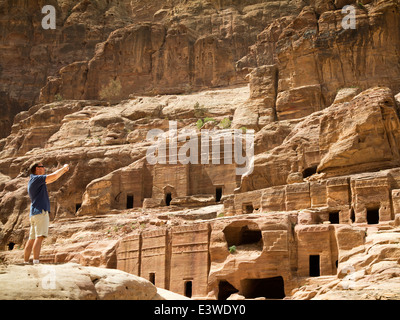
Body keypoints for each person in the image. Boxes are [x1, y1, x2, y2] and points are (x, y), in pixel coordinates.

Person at [24, 162, 70, 264]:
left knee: (31, 239)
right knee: (39, 237)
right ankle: (36, 262)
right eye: (42, 166)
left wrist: (63, 171)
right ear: (37, 169)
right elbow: (53, 176)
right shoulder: (37, 179)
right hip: (41, 212)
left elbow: (53, 179)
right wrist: (63, 167)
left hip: (34, 213)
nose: (44, 168)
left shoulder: (33, 180)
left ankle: (26, 262)